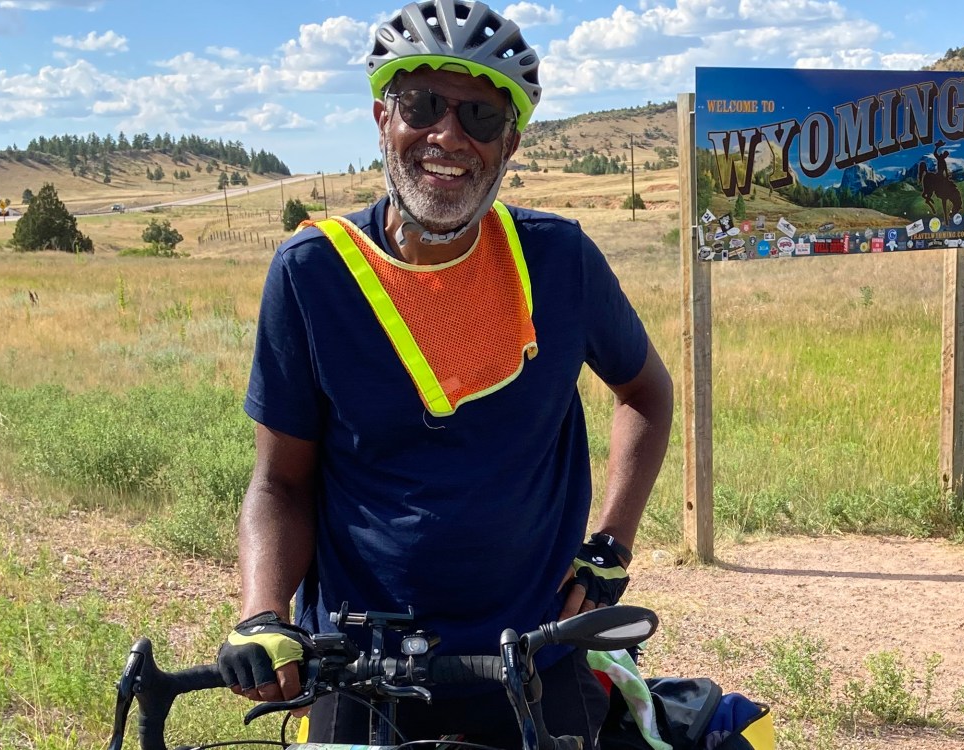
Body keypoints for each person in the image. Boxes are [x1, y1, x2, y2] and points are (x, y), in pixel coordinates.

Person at [216, 0, 674, 746]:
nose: (447, 136)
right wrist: (263, 615)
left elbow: (646, 392)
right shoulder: (313, 274)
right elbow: (280, 482)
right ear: (381, 118)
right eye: (422, 105)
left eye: (480, 118)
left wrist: (610, 550)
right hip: (364, 663)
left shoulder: (558, 260)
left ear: (511, 142)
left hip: (534, 651)